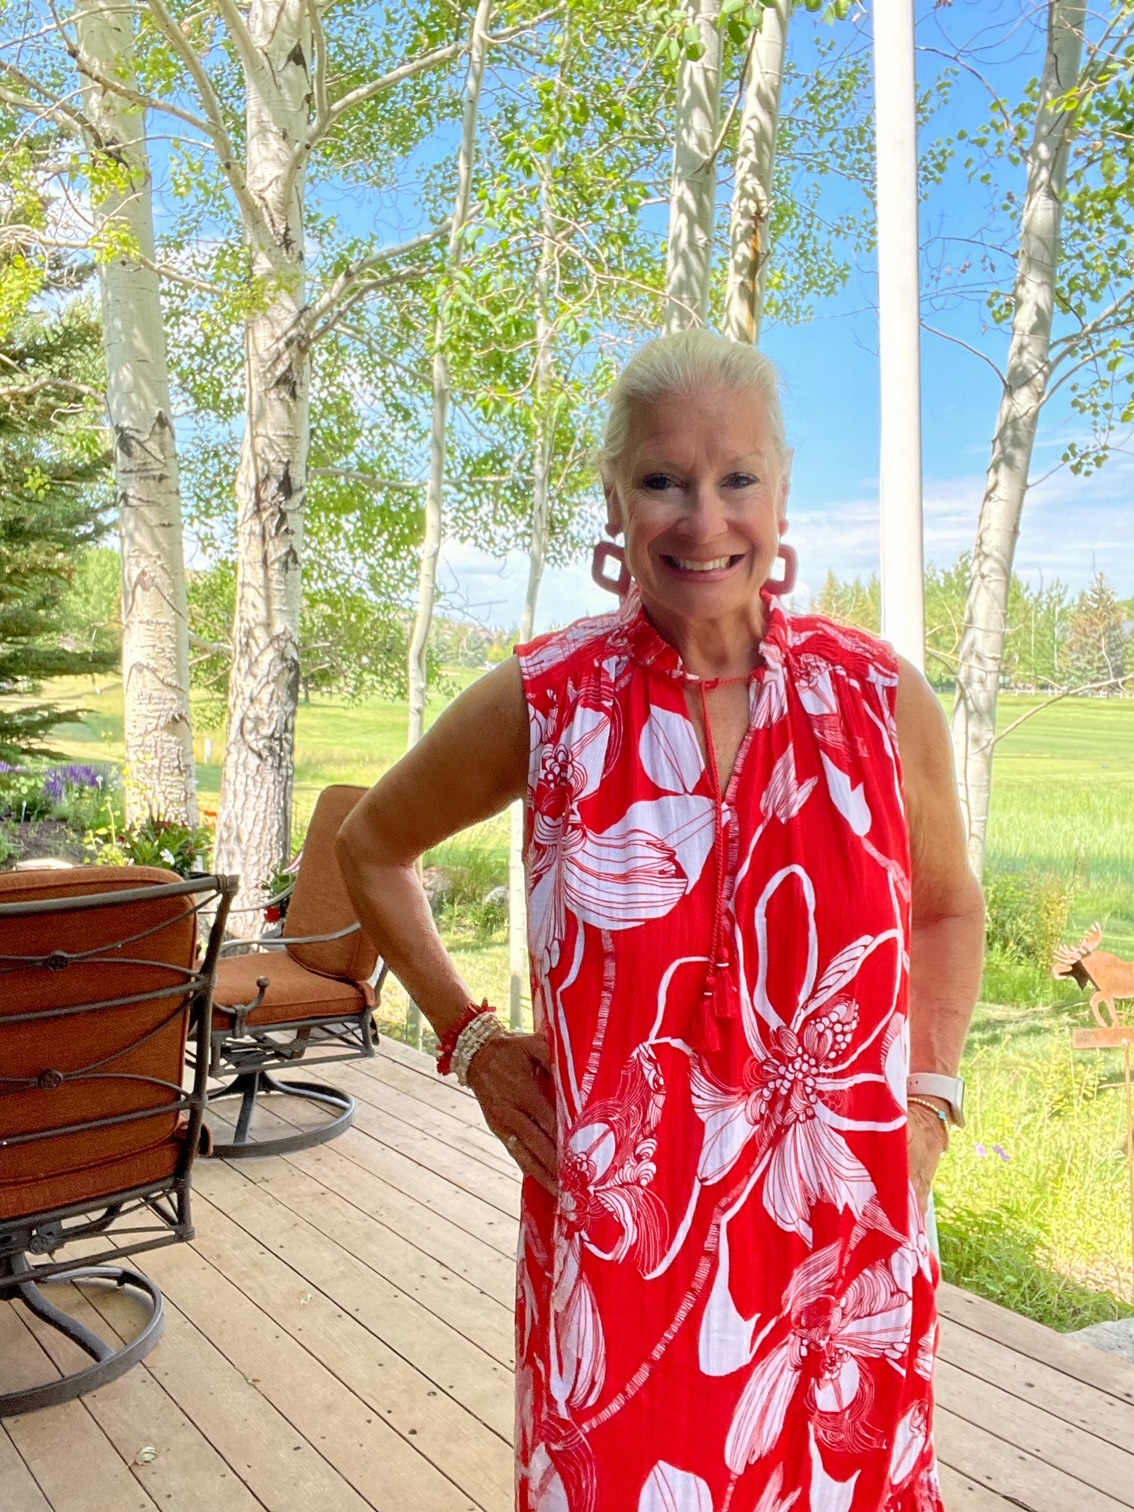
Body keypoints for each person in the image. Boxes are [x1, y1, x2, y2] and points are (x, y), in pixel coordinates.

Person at [336, 329, 985, 1512]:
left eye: (737, 479)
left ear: (782, 497)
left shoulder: (879, 700)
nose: (704, 520)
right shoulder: (544, 700)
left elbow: (944, 912)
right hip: (623, 1252)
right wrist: (472, 1043)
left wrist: (932, 1098)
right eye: (663, 480)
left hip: (843, 1246)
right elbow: (369, 848)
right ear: (613, 500)